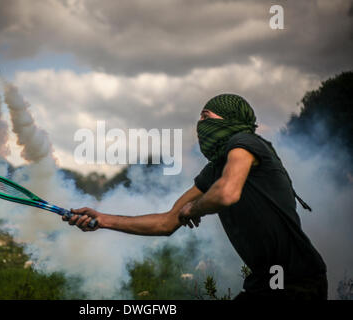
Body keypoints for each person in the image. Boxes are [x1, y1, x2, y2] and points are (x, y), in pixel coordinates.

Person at [64, 93, 327, 300]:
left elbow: (226, 192)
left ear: (229, 119)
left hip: (297, 284)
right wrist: (103, 220)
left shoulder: (246, 142)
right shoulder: (214, 170)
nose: (200, 125)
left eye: (206, 116)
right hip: (264, 285)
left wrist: (195, 208)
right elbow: (166, 222)